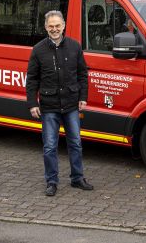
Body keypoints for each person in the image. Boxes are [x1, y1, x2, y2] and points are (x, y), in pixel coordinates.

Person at [26, 10, 92, 197]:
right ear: (46, 27)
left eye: (57, 26)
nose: (54, 29)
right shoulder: (38, 50)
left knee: (76, 143)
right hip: (49, 106)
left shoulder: (75, 47)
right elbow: (32, 79)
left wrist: (83, 97)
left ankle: (77, 178)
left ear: (63, 25)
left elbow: (82, 75)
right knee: (49, 146)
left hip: (71, 103)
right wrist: (32, 103)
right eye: (51, 26)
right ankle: (51, 181)